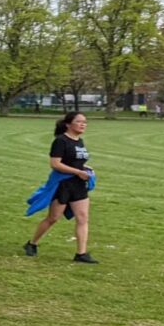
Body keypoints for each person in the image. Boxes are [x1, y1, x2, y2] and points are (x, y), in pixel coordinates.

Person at [25, 112, 98, 263]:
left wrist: (85, 168)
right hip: (63, 185)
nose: (83, 124)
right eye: (79, 122)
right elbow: (55, 164)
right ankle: (32, 243)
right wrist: (78, 172)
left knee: (83, 217)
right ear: (68, 124)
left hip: (79, 185)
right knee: (53, 218)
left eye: (85, 122)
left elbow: (74, 160)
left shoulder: (79, 141)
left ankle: (81, 254)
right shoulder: (60, 141)